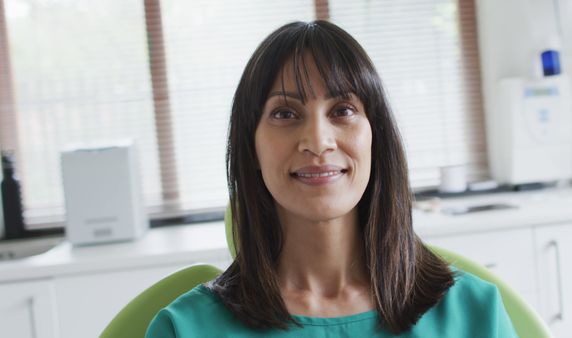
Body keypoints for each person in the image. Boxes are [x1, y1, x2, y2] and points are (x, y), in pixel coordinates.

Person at [146, 20, 518, 337]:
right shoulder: (184, 329)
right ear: (251, 147)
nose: (318, 141)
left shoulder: (476, 314)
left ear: (377, 137)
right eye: (285, 114)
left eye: (342, 110)